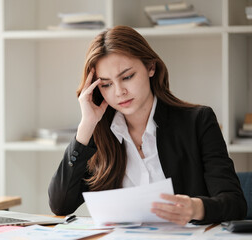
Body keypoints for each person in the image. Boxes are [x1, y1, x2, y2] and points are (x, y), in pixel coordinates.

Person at [48, 25, 247, 225]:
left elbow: (235, 204)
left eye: (127, 77)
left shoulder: (198, 121)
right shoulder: (98, 134)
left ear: (151, 67)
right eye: (106, 84)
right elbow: (60, 205)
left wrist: (196, 208)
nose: (119, 92)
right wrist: (86, 126)